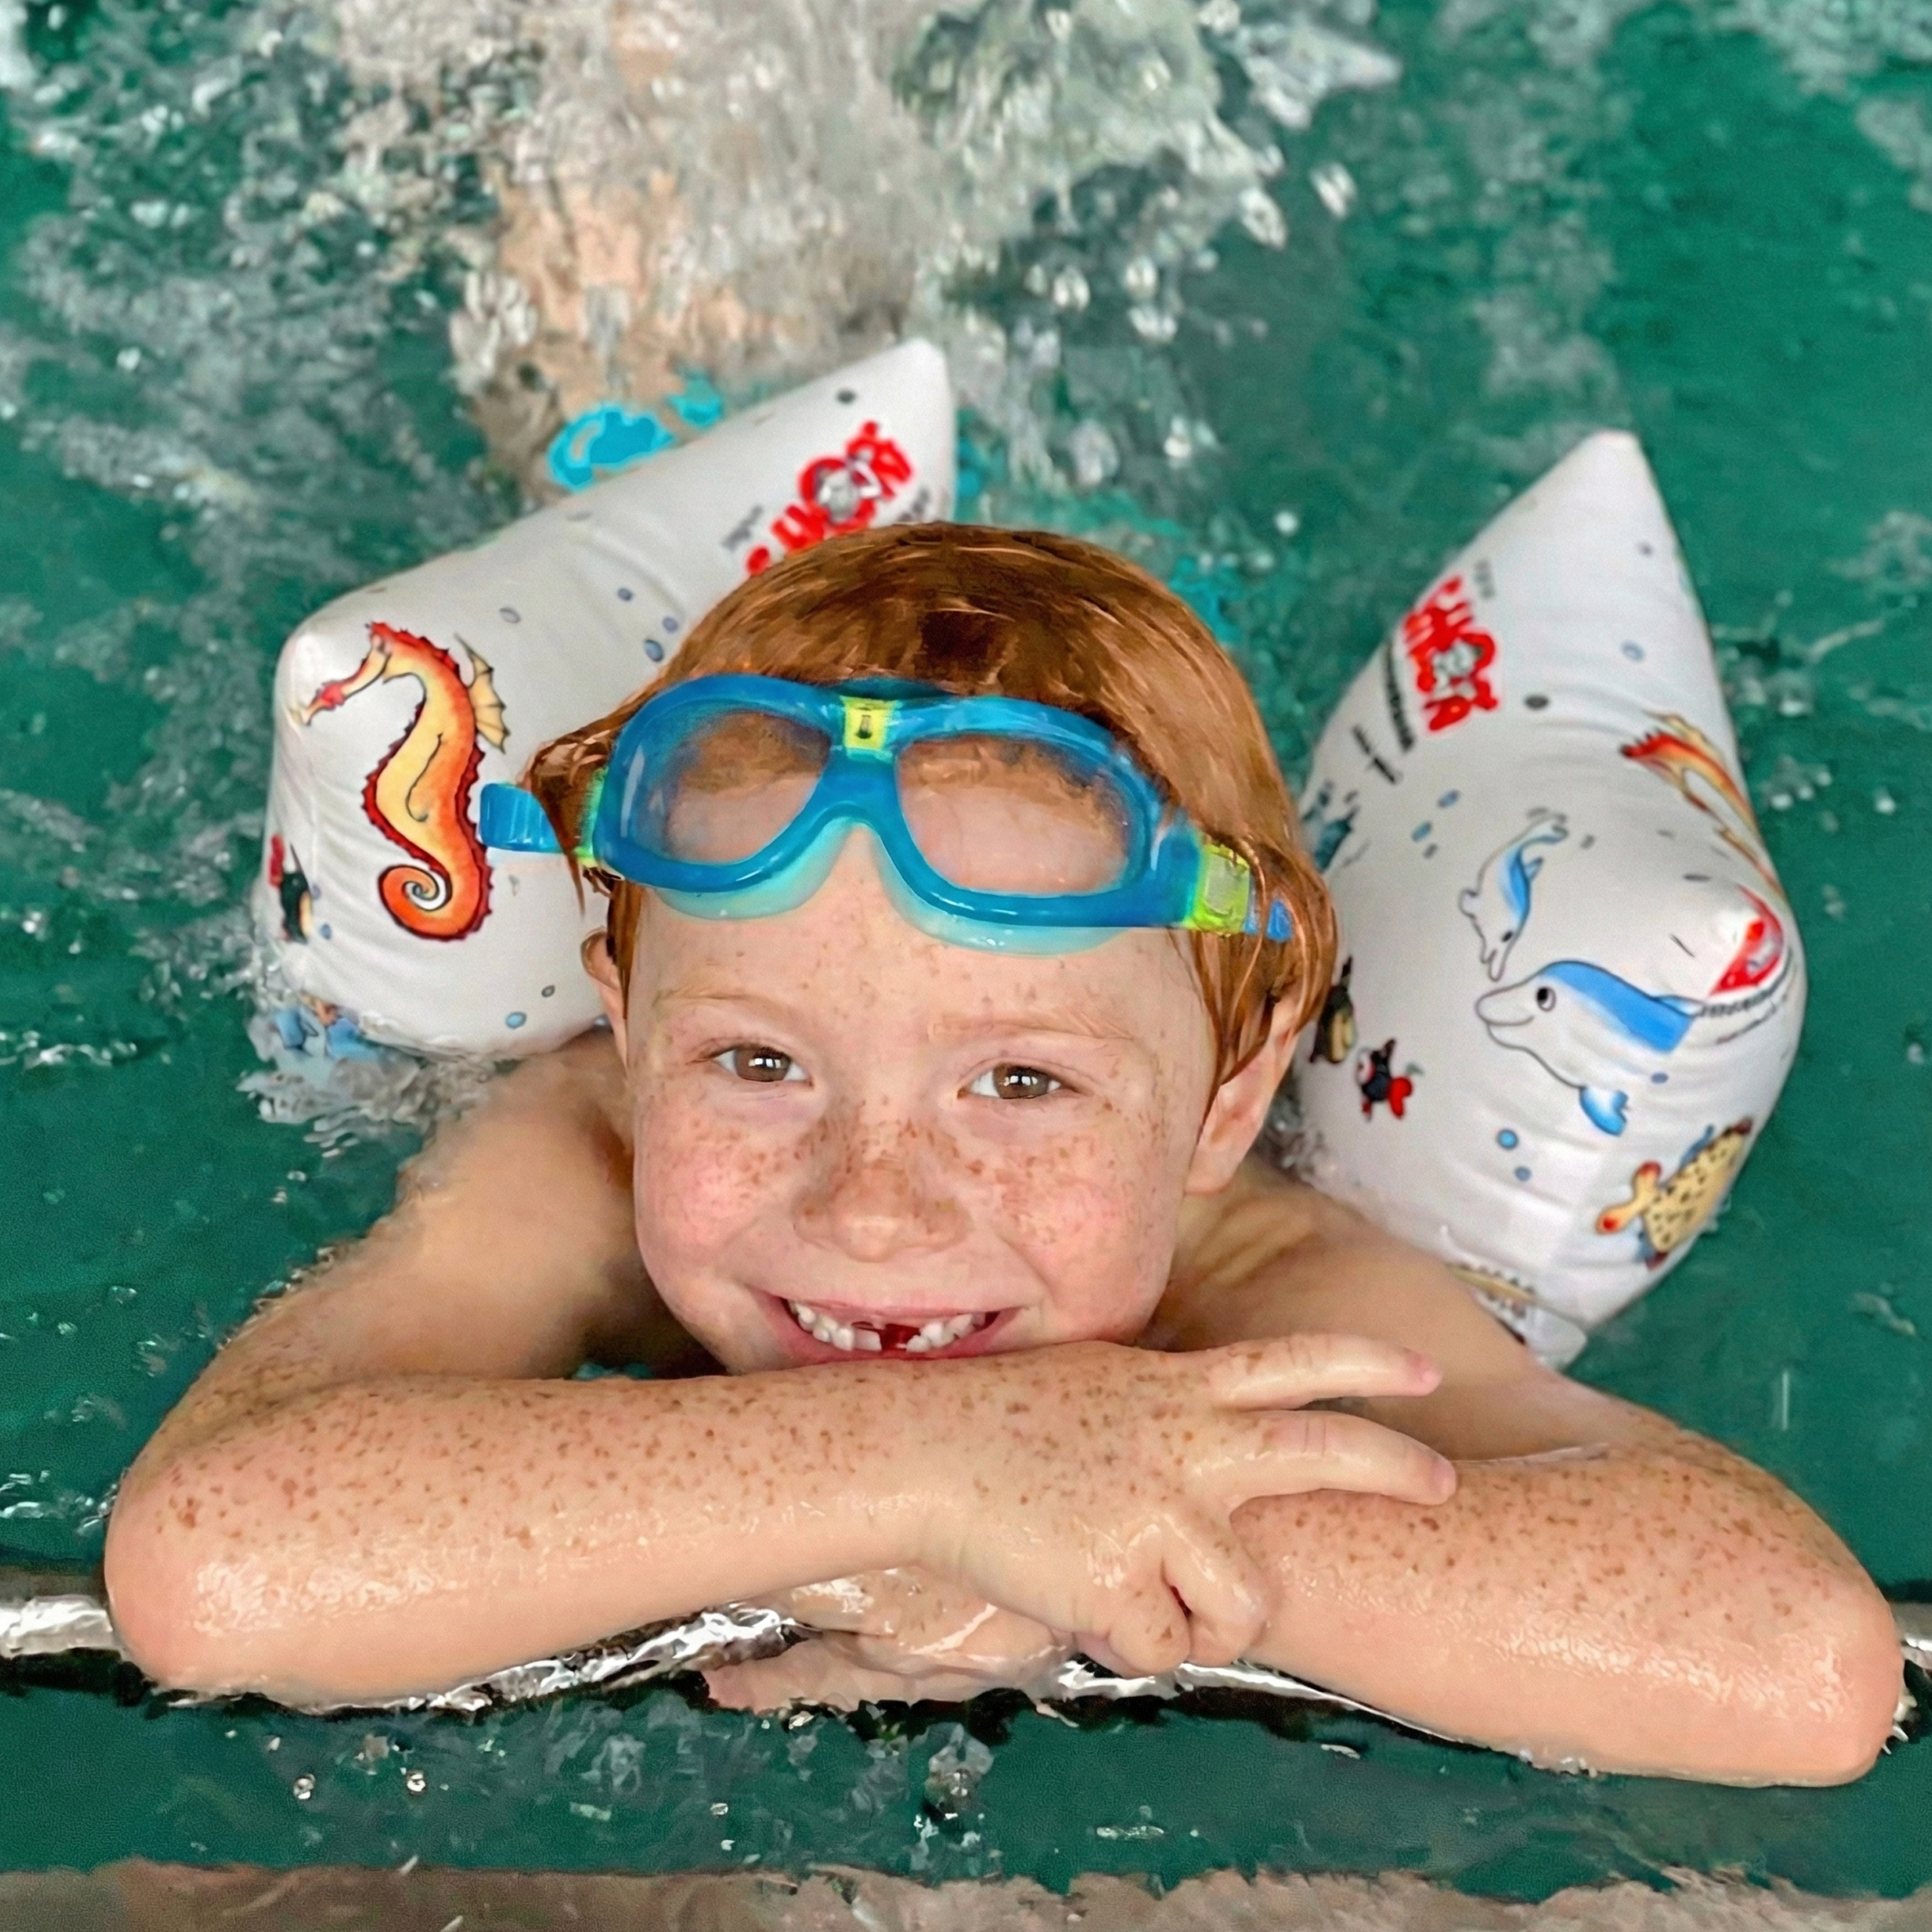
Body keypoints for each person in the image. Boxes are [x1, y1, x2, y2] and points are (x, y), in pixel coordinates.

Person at [103, 527, 1901, 1783]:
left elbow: (1798, 1664)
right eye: (752, 1060)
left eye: (1022, 1085)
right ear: (628, 1031)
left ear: (1219, 1097)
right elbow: (212, 1566)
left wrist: (1063, 1545)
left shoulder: (1260, 1273)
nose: (873, 1195)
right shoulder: (567, 1146)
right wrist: (922, 1467)